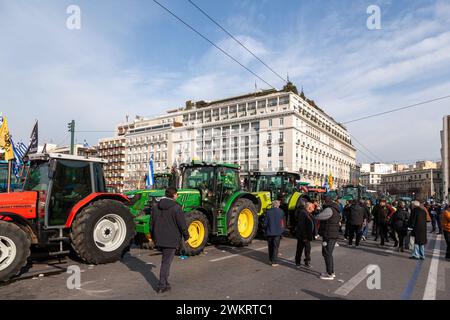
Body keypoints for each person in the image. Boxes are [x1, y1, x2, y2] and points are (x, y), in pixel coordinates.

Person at [151, 187, 190, 293]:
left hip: (159, 238)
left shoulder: (155, 207)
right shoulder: (177, 208)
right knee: (166, 262)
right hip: (171, 239)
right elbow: (182, 224)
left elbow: (152, 224)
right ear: (173, 195)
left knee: (165, 261)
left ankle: (165, 282)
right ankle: (161, 285)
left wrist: (154, 238)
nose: (177, 196)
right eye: (177, 194)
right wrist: (186, 236)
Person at [315, 194, 341, 280]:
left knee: (327, 253)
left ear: (326, 200)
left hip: (329, 234)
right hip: (332, 234)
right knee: (327, 253)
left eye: (323, 200)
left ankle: (330, 273)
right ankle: (330, 272)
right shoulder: (335, 208)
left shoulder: (329, 209)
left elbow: (319, 217)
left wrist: (316, 212)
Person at [264, 198, 285, 266]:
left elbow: (265, 223)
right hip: (278, 232)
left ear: (272, 205)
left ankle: (270, 259)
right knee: (275, 247)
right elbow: (283, 223)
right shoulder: (281, 212)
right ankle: (274, 262)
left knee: (270, 246)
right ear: (278, 205)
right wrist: (282, 230)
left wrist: (266, 230)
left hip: (269, 232)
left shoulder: (268, 212)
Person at [295, 202, 315, 268]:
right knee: (300, 249)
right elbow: (301, 226)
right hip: (303, 236)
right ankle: (298, 262)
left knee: (307, 250)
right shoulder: (303, 213)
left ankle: (307, 262)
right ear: (309, 207)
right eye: (312, 207)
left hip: (307, 236)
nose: (313, 208)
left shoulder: (308, 213)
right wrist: (304, 236)